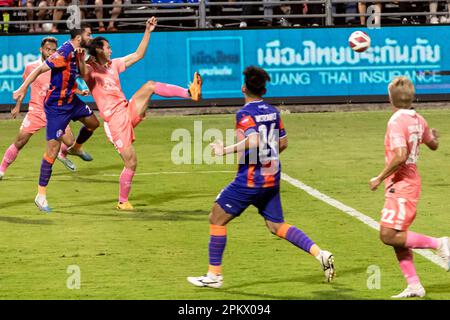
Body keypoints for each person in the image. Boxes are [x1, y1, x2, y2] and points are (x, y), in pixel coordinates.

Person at [187, 66, 335, 288]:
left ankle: (214, 275)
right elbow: (283, 143)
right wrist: (270, 157)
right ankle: (320, 253)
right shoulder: (274, 111)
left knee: (216, 218)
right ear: (264, 89)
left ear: (243, 88)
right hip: (271, 177)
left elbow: (254, 140)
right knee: (276, 226)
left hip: (250, 179)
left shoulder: (244, 113)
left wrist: (224, 150)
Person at [78, 17, 202, 211]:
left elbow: (138, 54)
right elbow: (82, 68)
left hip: (127, 110)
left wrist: (148, 31)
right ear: (99, 50)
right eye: (108, 47)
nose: (111, 50)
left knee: (150, 85)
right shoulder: (91, 70)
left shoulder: (113, 64)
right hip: (114, 122)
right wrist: (79, 55)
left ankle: (190, 93)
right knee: (132, 162)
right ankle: (122, 202)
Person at [369, 76, 449, 298]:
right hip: (408, 184)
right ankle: (414, 285)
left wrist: (379, 177)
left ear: (389, 99)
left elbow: (400, 155)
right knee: (397, 234)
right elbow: (433, 144)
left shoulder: (395, 122)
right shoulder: (418, 118)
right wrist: (432, 135)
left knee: (387, 235)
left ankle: (440, 243)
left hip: (402, 185)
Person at [13, 24, 99, 212]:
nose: (91, 37)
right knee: (52, 150)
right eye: (89, 34)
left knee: (93, 123)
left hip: (72, 100)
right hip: (57, 107)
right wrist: (22, 88)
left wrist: (84, 60)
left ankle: (75, 148)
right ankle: (41, 195)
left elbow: (82, 73)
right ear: (78, 37)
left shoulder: (78, 51)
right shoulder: (62, 53)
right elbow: (39, 70)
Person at [0, 37, 90, 180]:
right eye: (48, 49)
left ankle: (62, 154)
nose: (50, 52)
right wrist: (17, 106)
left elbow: (67, 83)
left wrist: (80, 92)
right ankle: (1, 170)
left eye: (53, 50)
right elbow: (24, 88)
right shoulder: (32, 67)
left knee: (70, 142)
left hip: (56, 111)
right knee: (20, 141)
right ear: (41, 49)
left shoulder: (60, 63)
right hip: (37, 111)